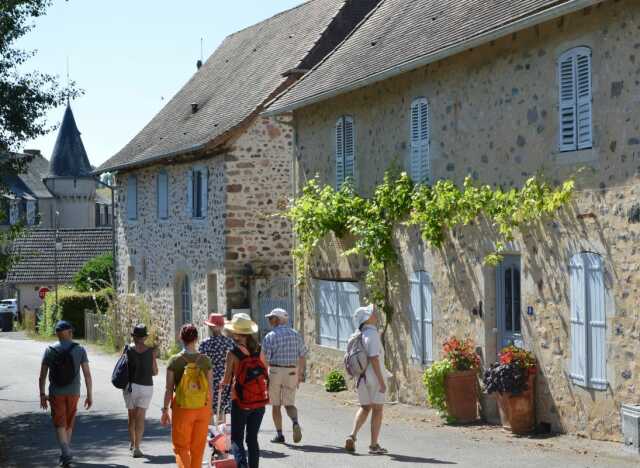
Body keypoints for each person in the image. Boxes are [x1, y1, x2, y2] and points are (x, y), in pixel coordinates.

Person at [38, 320, 93, 467]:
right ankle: (66, 452)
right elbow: (87, 374)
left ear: (57, 334)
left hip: (56, 392)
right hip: (74, 392)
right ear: (68, 332)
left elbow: (42, 376)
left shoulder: (49, 350)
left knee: (59, 423)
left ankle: (65, 452)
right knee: (68, 422)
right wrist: (89, 394)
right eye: (71, 331)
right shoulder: (80, 349)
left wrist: (42, 395)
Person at [161, 323, 213, 468]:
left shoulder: (174, 361)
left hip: (183, 407)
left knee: (181, 446)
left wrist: (165, 410)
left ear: (180, 338)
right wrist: (211, 409)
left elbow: (168, 389)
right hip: (203, 407)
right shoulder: (205, 360)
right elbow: (210, 387)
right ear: (196, 339)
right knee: (198, 448)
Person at [221, 313, 268, 468]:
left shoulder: (233, 353)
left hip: (240, 401)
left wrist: (221, 384)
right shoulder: (259, 349)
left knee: (236, 439)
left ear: (235, 332)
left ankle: (242, 466)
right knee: (252, 439)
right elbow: (264, 370)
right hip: (259, 401)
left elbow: (227, 379)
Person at [345, 304, 391, 455]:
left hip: (361, 378)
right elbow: (374, 358)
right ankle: (373, 445)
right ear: (367, 318)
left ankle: (352, 435)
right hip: (374, 377)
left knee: (365, 407)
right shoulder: (372, 334)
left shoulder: (356, 335)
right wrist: (382, 382)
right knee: (377, 409)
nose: (375, 315)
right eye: (372, 314)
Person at [261, 308, 306, 444]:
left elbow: (264, 358)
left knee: (275, 405)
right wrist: (300, 373)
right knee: (289, 403)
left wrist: (265, 373)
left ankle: (280, 435)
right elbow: (302, 355)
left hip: (275, 371)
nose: (269, 320)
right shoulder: (296, 334)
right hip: (291, 371)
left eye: (271, 318)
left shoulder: (270, 336)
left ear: (278, 320)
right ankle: (295, 422)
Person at [124, 324, 158, 458]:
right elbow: (155, 371)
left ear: (134, 336)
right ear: (144, 337)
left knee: (131, 417)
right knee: (140, 418)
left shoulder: (127, 349)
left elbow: (123, 368)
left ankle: (132, 444)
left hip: (130, 386)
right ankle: (137, 447)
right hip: (146, 386)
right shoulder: (151, 351)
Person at [198, 313, 234, 415]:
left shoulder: (205, 343)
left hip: (209, 379)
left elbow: (200, 364)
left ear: (210, 327)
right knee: (222, 408)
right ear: (222, 326)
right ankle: (221, 429)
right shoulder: (229, 342)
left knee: (209, 409)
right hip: (225, 379)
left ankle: (211, 429)